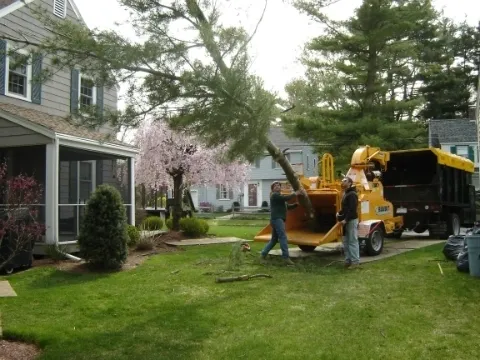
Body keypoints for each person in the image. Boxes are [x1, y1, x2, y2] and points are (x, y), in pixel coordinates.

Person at [261, 181, 303, 266]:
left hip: (276, 220)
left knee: (274, 240)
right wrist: (296, 193)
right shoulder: (274, 195)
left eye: (278, 185)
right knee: (283, 237)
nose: (277, 186)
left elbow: (287, 206)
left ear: (280, 188)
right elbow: (286, 198)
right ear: (272, 189)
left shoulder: (280, 197)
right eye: (275, 186)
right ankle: (286, 258)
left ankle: (263, 254)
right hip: (277, 220)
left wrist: (296, 205)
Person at [336, 176, 360, 269]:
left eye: (345, 181)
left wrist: (345, 220)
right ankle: (348, 260)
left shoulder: (352, 194)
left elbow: (352, 210)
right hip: (345, 221)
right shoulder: (345, 193)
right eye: (342, 180)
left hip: (351, 220)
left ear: (350, 183)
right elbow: (345, 208)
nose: (342, 182)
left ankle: (355, 262)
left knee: (352, 241)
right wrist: (339, 213)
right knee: (346, 241)